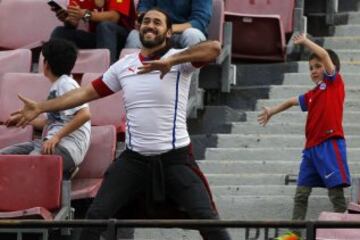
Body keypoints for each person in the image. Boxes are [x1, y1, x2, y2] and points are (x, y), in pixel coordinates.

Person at [13, 8, 231, 240]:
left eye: (157, 23)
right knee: (96, 217)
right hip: (134, 159)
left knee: (206, 218)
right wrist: (41, 107)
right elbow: (85, 93)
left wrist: (171, 61)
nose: (150, 25)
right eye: (146, 21)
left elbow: (214, 48)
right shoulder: (123, 66)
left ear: (168, 32)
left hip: (174, 158)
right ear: (138, 29)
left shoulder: (181, 60)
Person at [257, 34, 350, 239]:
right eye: (311, 68)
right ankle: (294, 234)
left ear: (329, 67)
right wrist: (272, 110)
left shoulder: (334, 83)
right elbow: (292, 101)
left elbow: (324, 54)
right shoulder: (312, 94)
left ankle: (345, 233)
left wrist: (305, 41)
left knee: (336, 194)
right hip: (311, 150)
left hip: (329, 145)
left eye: (317, 66)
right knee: (301, 194)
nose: (314, 71)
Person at [0, 39, 91, 179]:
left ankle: (64, 171)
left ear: (46, 64)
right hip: (48, 144)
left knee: (25, 167)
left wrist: (56, 137)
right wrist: (26, 120)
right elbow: (49, 122)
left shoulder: (66, 84)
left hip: (66, 148)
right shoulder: (58, 85)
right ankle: (63, 171)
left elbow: (84, 114)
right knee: (4, 157)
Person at [50, 0, 136, 63]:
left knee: (105, 26)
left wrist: (86, 15)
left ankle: (107, 75)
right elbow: (73, 24)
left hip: (121, 39)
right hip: (98, 38)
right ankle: (57, 73)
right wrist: (68, 19)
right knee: (59, 32)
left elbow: (113, 18)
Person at [125, 0, 211, 48]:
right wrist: (142, 19)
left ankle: (190, 79)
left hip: (181, 33)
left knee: (193, 35)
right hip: (156, 30)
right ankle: (133, 76)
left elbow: (199, 22)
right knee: (134, 35)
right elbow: (144, 7)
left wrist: (167, 29)